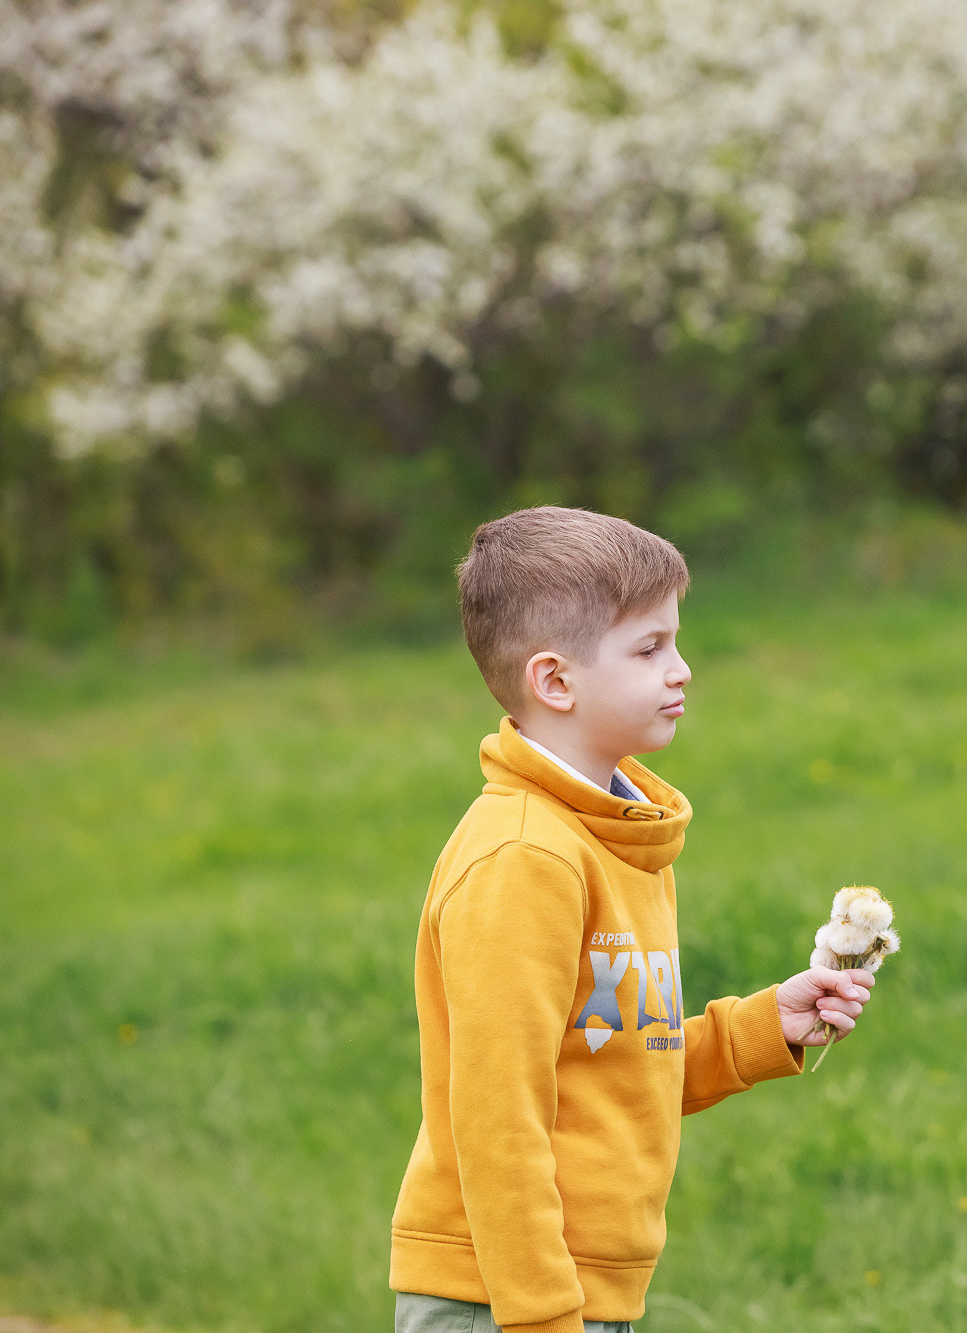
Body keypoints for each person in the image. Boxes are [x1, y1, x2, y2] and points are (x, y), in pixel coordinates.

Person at [390, 507, 876, 1333]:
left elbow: (614, 1064)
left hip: (581, 1293)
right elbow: (497, 1112)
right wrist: (543, 1317)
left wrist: (761, 1028)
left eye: (676, 641)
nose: (682, 669)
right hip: (503, 1300)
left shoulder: (620, 835)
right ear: (555, 681)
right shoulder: (525, 858)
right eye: (649, 649)